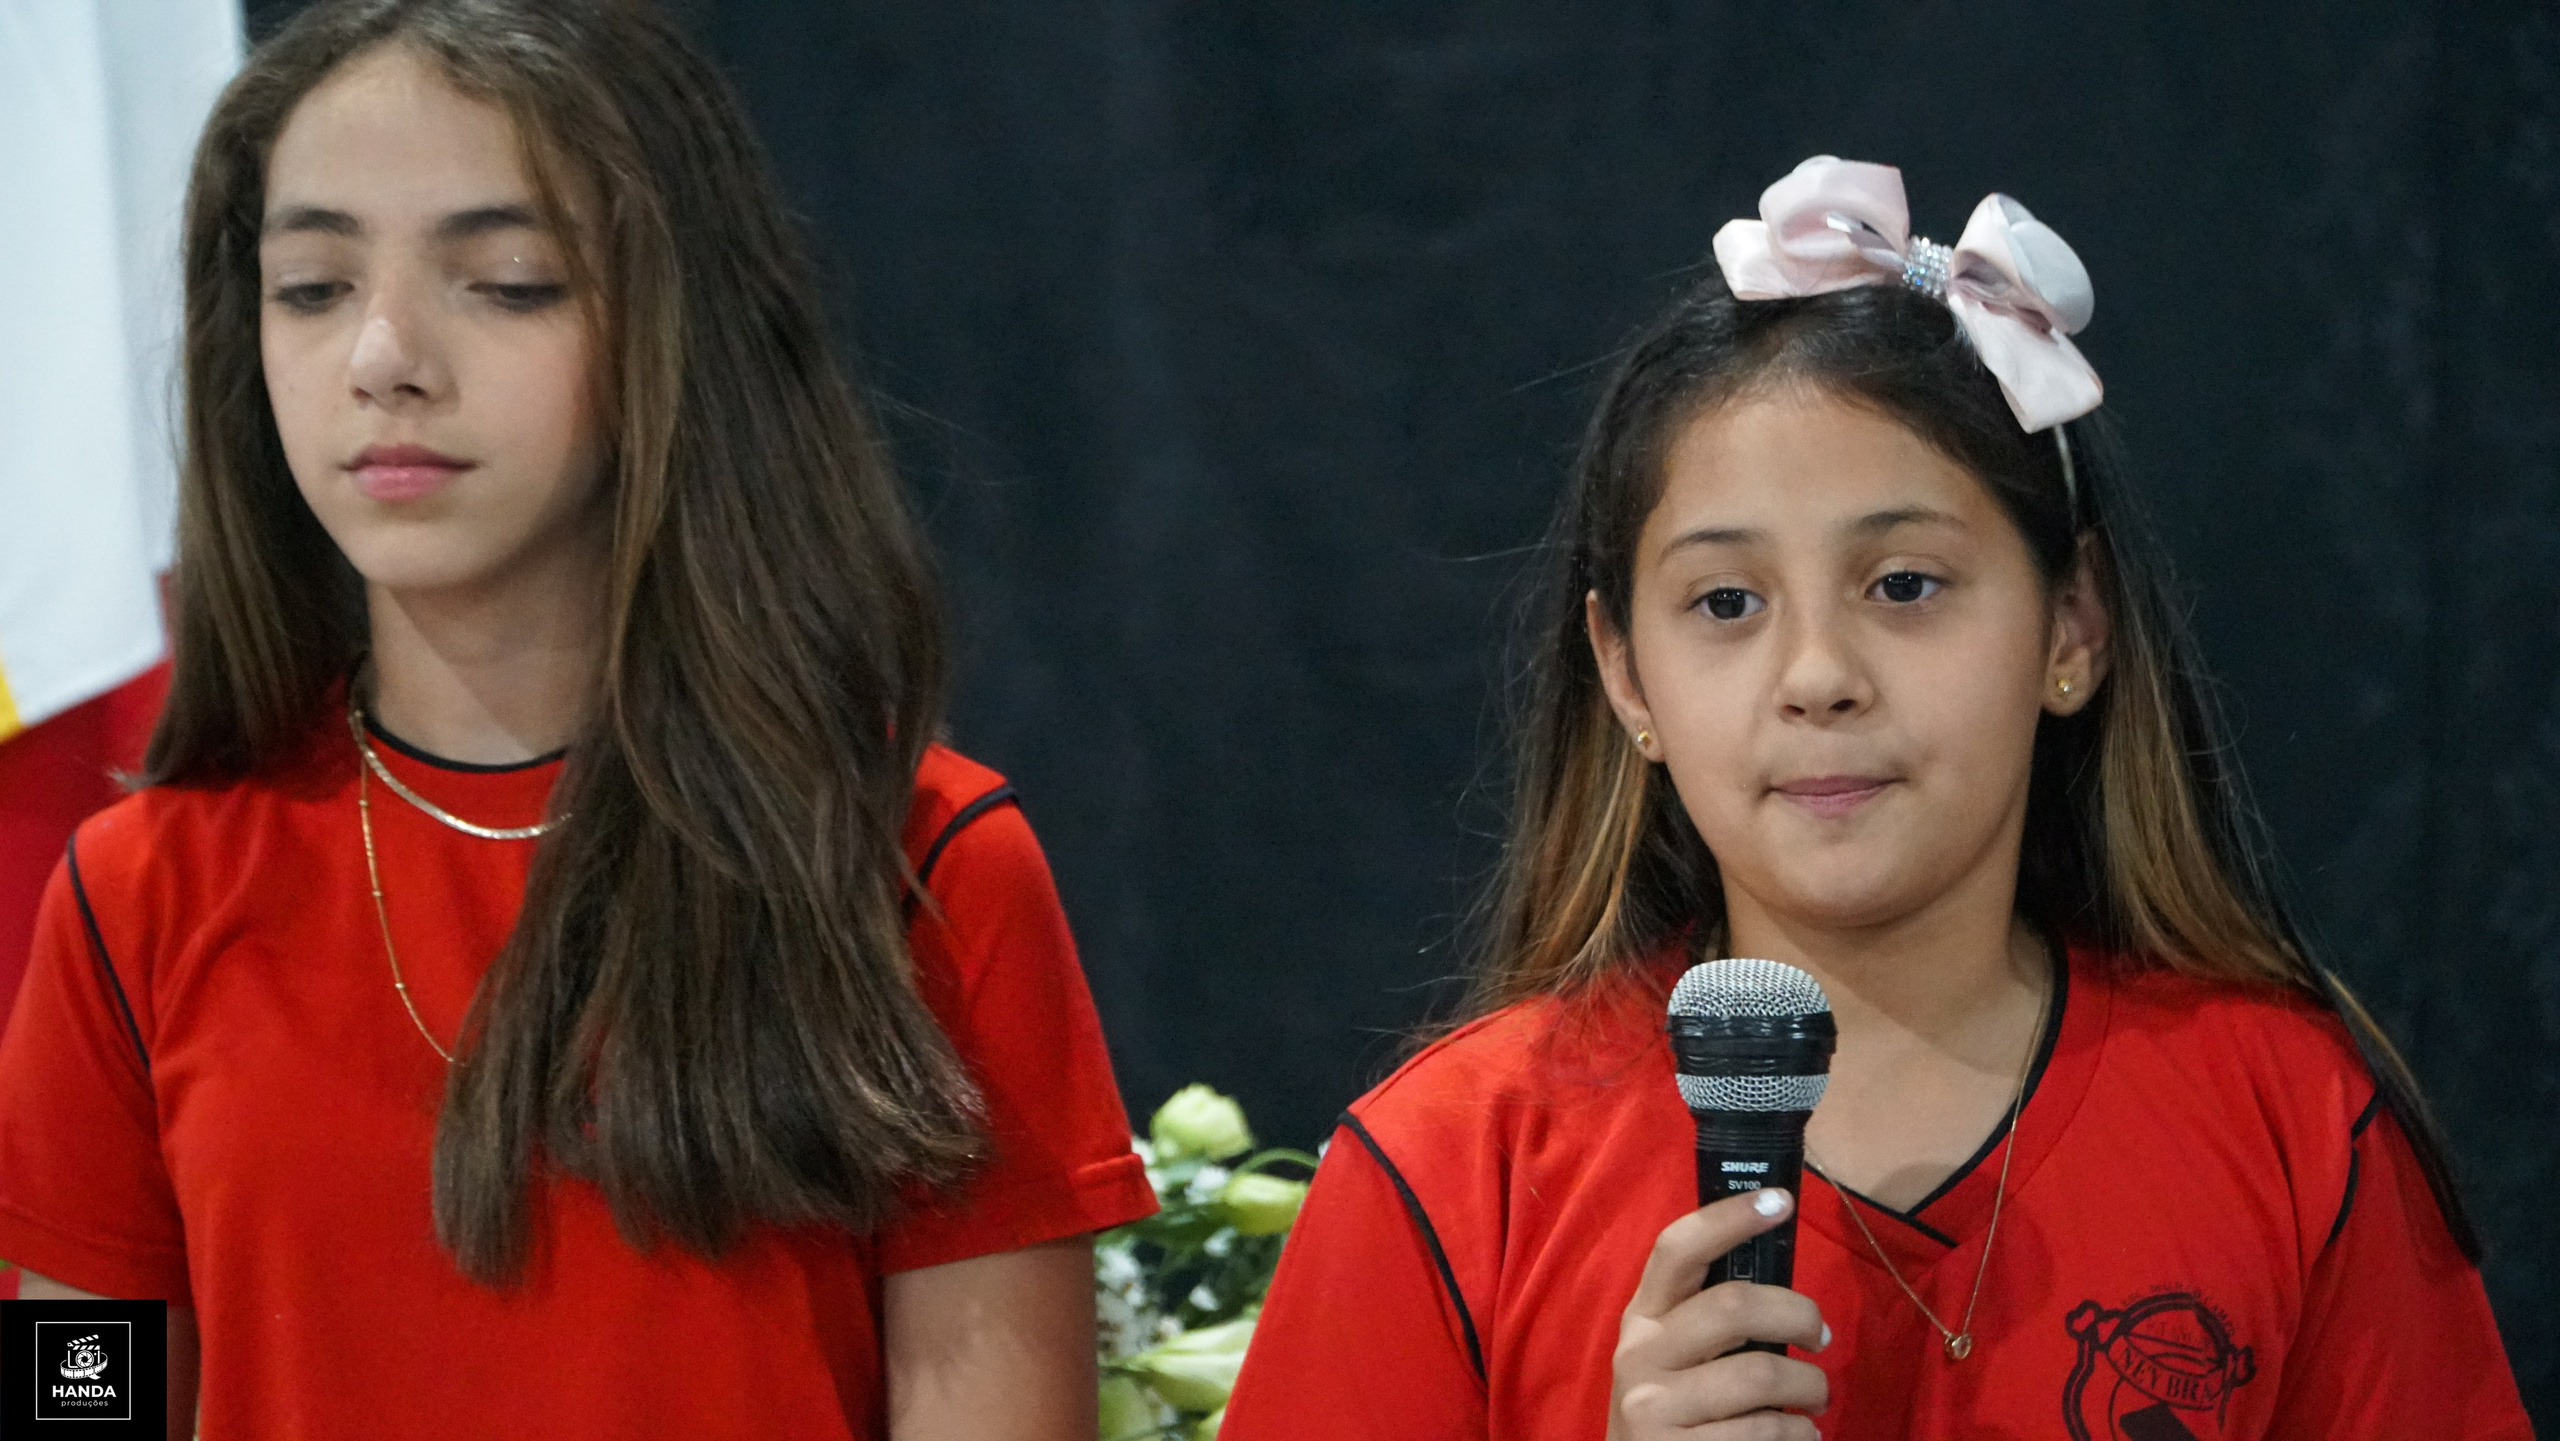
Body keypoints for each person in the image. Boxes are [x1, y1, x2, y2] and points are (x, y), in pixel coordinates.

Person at [1219, 157, 2531, 1439]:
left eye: (1905, 584)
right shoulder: (1454, 1167)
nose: (1818, 677)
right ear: (1626, 674)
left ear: (2072, 623)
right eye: (1726, 603)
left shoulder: (2291, 1118)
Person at [0, 2, 1154, 1437]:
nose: (383, 356)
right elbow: (80, 1390)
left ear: (675, 328)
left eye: (507, 282)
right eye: (312, 286)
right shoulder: (141, 895)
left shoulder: (917, 862)